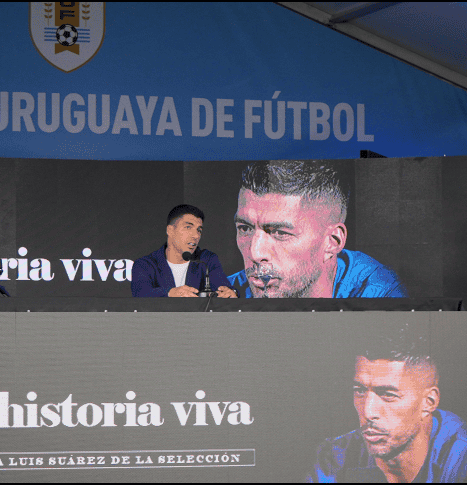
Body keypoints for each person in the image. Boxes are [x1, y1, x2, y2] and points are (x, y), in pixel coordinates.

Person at [308, 326, 467, 482]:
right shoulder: (335, 457)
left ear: (428, 402)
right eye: (360, 391)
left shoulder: (461, 458)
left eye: (388, 394)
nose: (368, 412)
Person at [227, 160, 407, 298]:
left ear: (332, 242)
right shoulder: (228, 290)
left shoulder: (380, 291)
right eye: (245, 229)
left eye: (280, 233)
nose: (255, 253)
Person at [131, 204, 236, 298]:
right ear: (170, 230)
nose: (196, 235)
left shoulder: (206, 259)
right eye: (188, 227)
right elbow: (141, 293)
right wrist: (171, 293)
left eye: (199, 230)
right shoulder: (145, 264)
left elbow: (223, 286)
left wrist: (229, 293)